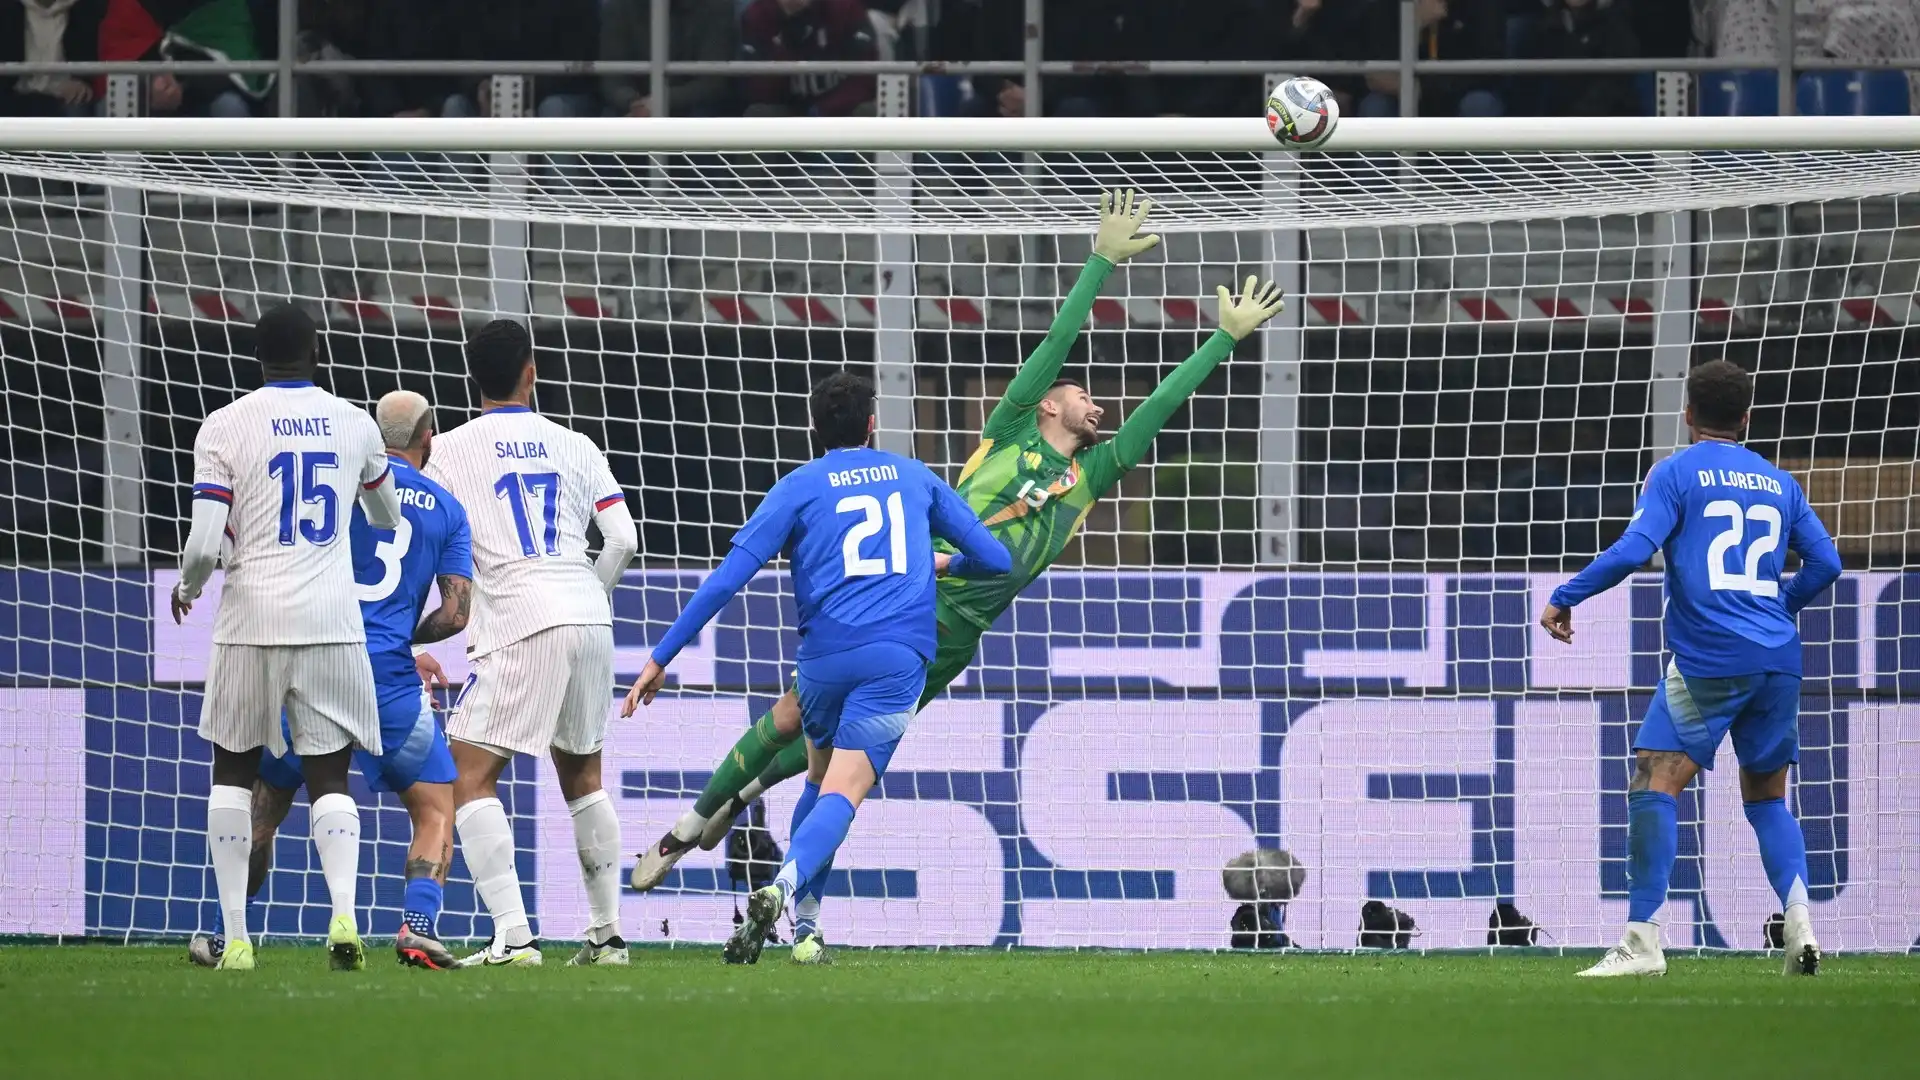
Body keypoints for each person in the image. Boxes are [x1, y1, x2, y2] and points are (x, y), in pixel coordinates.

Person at [630, 191, 1291, 957]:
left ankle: (741, 825)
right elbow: (1057, 339)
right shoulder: (1009, 427)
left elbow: (1164, 405)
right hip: (903, 603)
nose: (1095, 399)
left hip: (949, 636)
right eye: (1079, 391)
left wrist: (1221, 340)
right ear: (1048, 405)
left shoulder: (1096, 474)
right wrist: (1100, 263)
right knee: (802, 736)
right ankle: (701, 831)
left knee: (817, 751)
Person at [622, 371, 1013, 965]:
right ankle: (783, 889)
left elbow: (728, 580)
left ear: (814, 429)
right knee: (843, 791)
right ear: (872, 424)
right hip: (895, 658)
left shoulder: (798, 486)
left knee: (815, 775)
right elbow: (997, 559)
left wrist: (659, 658)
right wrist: (944, 564)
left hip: (822, 664)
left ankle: (805, 930)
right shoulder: (913, 476)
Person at [1541, 359, 1842, 978]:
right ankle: (1800, 921)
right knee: (1766, 798)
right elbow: (1827, 563)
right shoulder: (1779, 480)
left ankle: (1643, 942)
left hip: (1712, 654)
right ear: (1747, 417)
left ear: (1687, 412)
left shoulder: (1675, 472)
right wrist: (1778, 606)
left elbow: (1633, 549)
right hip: (1778, 657)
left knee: (1655, 776)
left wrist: (1566, 595)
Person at [186, 391, 475, 972]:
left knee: (264, 806)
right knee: (436, 808)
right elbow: (456, 614)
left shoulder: (341, 478)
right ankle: (417, 928)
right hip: (388, 675)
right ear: (429, 439)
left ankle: (223, 935)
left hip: (314, 654)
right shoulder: (446, 507)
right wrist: (402, 641)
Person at [171, 304, 403, 971]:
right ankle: (344, 919)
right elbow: (385, 514)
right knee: (331, 774)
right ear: (318, 353)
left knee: (233, 773)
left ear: (256, 357)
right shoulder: (355, 422)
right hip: (331, 619)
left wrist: (188, 587)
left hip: (252, 618)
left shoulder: (225, 425)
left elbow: (204, 541)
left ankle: (237, 938)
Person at [425, 320, 640, 967]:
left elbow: (430, 535)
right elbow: (624, 539)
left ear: (472, 376)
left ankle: (515, 939)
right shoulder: (574, 444)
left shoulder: (450, 451)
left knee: (467, 776)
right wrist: (591, 598)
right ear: (532, 369)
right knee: (583, 775)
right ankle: (607, 936)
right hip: (588, 615)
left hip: (522, 618)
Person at [601, 0, 738, 118]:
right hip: (634, 106)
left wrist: (658, 102)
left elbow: (713, 82)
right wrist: (632, 102)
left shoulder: (717, 7)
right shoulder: (619, 7)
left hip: (693, 106)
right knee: (606, 120)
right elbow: (613, 76)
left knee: (707, 114)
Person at [740, 0, 878, 117]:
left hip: (838, 109)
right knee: (757, 113)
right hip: (788, 111)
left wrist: (823, 109)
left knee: (866, 111)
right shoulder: (757, 15)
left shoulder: (844, 7)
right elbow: (756, 89)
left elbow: (866, 78)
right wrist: (785, 48)